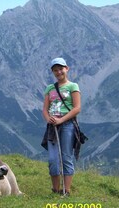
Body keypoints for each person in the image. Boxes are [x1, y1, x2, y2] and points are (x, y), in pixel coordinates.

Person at [42, 57, 81, 196]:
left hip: (67, 125)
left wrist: (61, 120)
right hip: (53, 127)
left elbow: (77, 108)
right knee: (53, 159)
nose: (59, 72)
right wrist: (49, 120)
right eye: (55, 70)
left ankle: (66, 190)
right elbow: (45, 109)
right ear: (53, 72)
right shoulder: (50, 88)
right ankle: (56, 189)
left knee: (66, 157)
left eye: (61, 69)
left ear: (67, 69)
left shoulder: (73, 86)